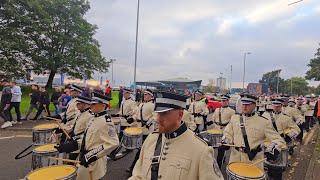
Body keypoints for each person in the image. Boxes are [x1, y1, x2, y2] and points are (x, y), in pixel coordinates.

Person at [129, 91, 223, 180]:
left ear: (180, 115)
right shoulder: (151, 139)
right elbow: (138, 175)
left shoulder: (201, 150)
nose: (158, 119)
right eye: (157, 113)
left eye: (164, 114)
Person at [222, 93, 286, 171]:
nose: (244, 106)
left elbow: (278, 140)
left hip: (254, 160)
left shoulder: (263, 122)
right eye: (243, 104)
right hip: (235, 157)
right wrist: (226, 141)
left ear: (254, 105)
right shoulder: (235, 118)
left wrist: (272, 149)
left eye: (248, 104)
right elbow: (228, 133)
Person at [77, 92, 119, 180]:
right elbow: (88, 138)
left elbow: (113, 143)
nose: (91, 106)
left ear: (103, 105)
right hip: (85, 157)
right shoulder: (93, 118)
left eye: (94, 104)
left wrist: (91, 156)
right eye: (91, 104)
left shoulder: (106, 122)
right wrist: (74, 144)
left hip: (95, 161)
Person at [55, 96, 94, 161]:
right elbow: (75, 125)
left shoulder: (90, 116)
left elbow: (89, 134)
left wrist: (74, 144)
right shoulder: (79, 112)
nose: (76, 105)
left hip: (81, 143)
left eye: (79, 103)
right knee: (69, 160)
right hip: (74, 139)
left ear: (85, 104)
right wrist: (63, 130)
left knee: (74, 162)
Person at [127, 89, 156, 173]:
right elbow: (137, 114)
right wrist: (133, 118)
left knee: (142, 150)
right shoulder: (141, 104)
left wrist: (148, 123)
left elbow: (155, 116)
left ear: (151, 96)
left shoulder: (152, 105)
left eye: (147, 94)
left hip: (147, 131)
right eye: (144, 94)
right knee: (142, 149)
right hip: (140, 130)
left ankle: (133, 167)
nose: (145, 96)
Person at [206, 95, 235, 169]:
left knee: (221, 150)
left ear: (228, 101)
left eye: (225, 100)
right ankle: (213, 162)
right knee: (213, 148)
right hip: (216, 131)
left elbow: (233, 123)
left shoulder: (232, 111)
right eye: (222, 100)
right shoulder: (217, 110)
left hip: (226, 132)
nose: (223, 102)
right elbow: (213, 118)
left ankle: (219, 166)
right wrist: (210, 122)